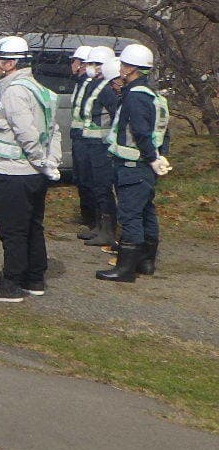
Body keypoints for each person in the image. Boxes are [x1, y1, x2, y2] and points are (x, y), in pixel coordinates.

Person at [0, 36, 61, 303]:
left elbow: (26, 133)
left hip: (15, 171)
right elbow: (54, 130)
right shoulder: (41, 90)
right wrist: (50, 163)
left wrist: (40, 159)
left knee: (12, 230)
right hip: (35, 172)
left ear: (10, 63)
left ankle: (11, 283)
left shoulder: (14, 91)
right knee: (33, 225)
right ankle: (34, 278)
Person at [97, 43, 171, 282]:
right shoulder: (153, 95)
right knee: (146, 211)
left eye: (123, 64)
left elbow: (140, 131)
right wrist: (159, 156)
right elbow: (163, 131)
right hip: (145, 165)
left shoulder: (135, 95)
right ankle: (146, 262)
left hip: (133, 164)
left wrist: (151, 157)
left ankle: (125, 268)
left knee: (130, 215)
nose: (120, 68)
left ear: (131, 68)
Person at [75, 47, 118, 248]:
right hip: (90, 143)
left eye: (96, 64)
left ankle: (108, 231)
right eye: (90, 63)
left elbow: (116, 116)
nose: (91, 67)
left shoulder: (108, 89)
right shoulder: (94, 85)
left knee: (103, 187)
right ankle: (99, 226)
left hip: (102, 146)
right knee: (93, 185)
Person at [67, 45, 96, 231]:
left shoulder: (90, 84)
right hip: (78, 137)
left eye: (74, 61)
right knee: (80, 178)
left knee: (87, 179)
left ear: (82, 64)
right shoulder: (80, 83)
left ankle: (93, 219)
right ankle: (87, 217)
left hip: (87, 139)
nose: (72, 64)